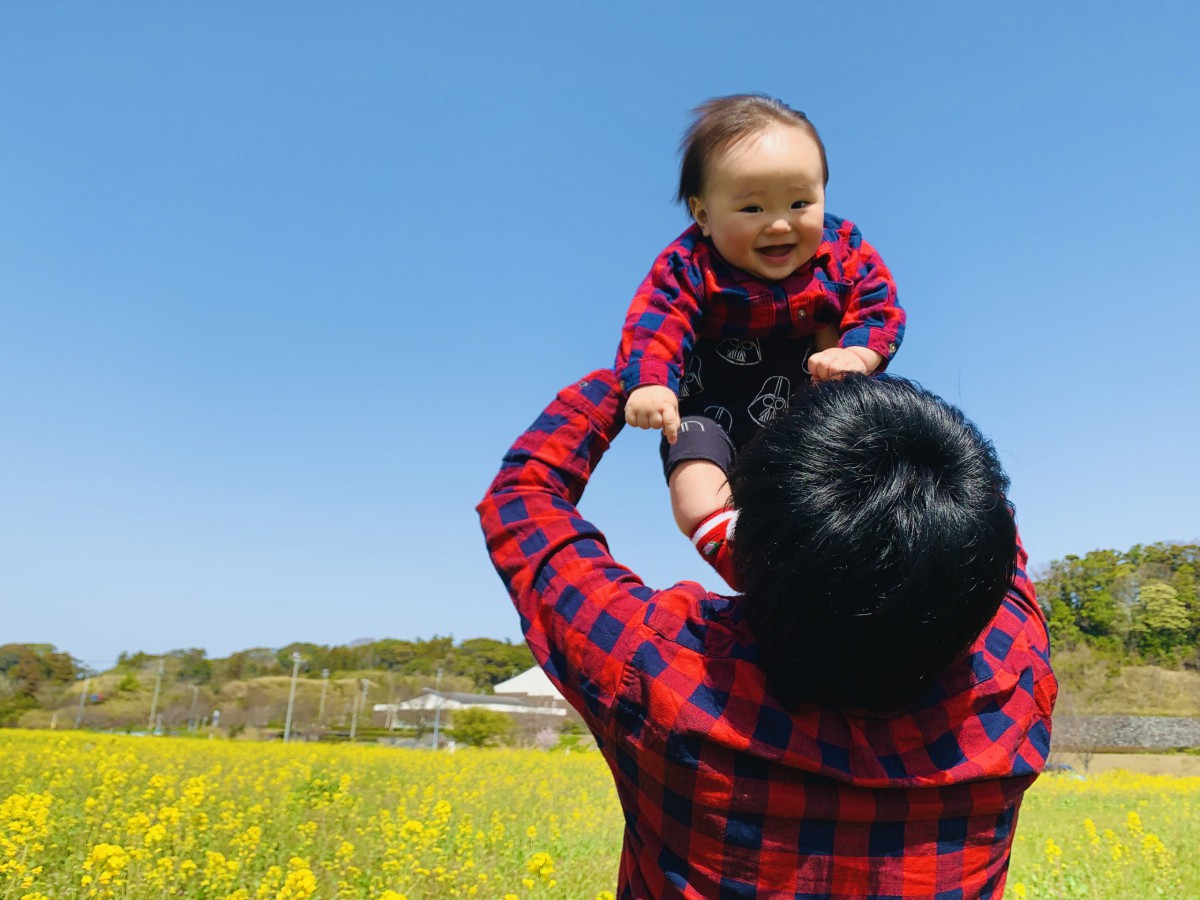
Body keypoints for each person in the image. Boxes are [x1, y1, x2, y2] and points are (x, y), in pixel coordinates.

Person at [478, 369, 1056, 899]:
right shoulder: (1015, 676)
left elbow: (522, 500)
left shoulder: (662, 675)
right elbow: (984, 538)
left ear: (745, 536)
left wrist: (639, 373)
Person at [615, 95, 906, 587]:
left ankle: (865, 548)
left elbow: (879, 303)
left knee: (860, 460)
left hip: (810, 409)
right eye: (752, 207)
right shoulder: (689, 264)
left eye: (800, 203)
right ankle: (723, 538)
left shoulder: (842, 249)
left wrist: (857, 352)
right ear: (703, 215)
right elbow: (657, 320)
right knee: (692, 465)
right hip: (712, 409)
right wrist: (650, 383)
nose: (779, 223)